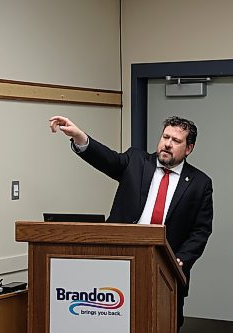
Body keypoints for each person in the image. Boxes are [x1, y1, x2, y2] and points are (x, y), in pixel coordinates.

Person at [49, 115, 213, 330]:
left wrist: (180, 259)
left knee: (160, 324)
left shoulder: (200, 183)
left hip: (165, 271)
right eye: (165, 137)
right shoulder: (136, 161)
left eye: (176, 140)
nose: (167, 144)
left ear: (189, 148)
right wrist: (79, 136)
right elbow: (106, 158)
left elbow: (201, 230)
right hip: (118, 261)